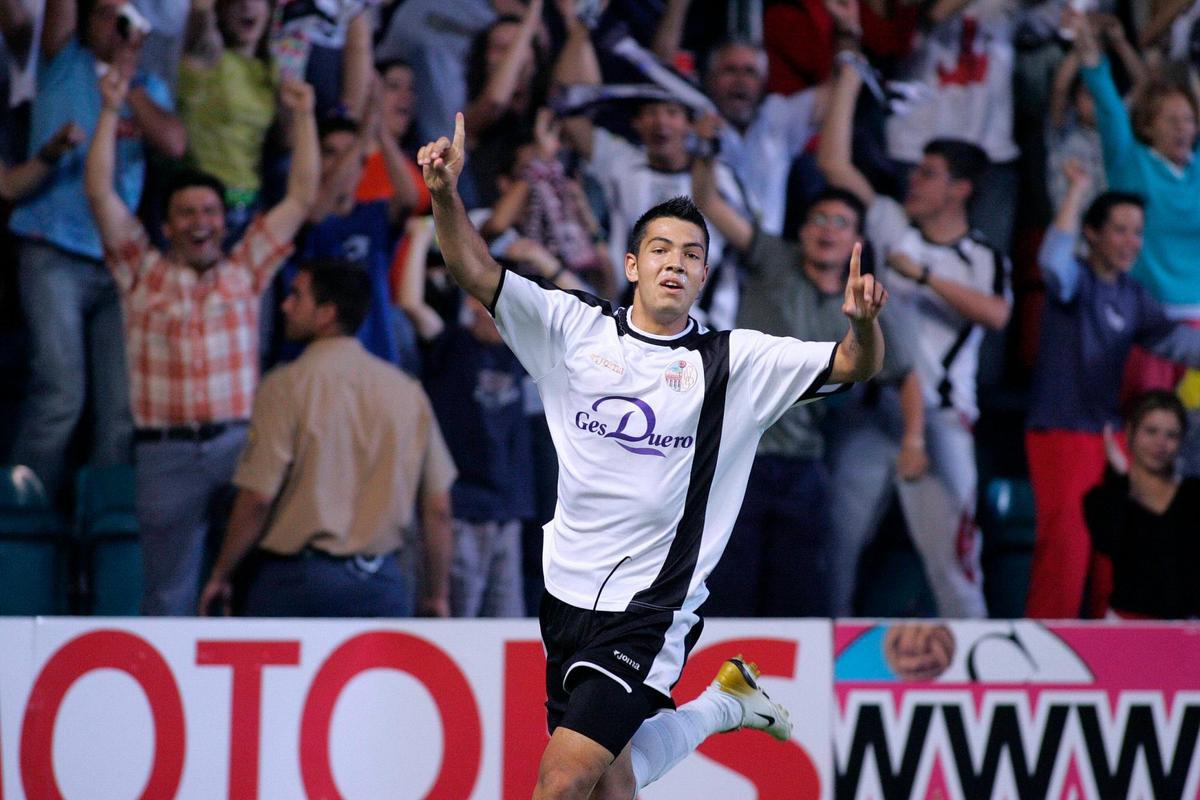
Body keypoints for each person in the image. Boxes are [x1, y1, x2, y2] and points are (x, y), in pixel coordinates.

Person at [418, 113, 887, 799]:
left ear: (703, 274)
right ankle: (726, 705)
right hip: (565, 593)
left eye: (692, 253)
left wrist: (865, 325)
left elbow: (853, 364)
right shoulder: (570, 328)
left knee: (561, 780)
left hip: (653, 606)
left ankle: (722, 704)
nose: (676, 262)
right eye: (661, 249)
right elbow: (474, 269)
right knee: (612, 784)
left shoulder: (737, 362)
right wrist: (443, 196)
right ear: (632, 264)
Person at [85, 73, 319, 615]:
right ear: (167, 225)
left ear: (224, 221)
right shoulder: (139, 274)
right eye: (188, 213)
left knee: (245, 589)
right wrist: (108, 110)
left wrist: (303, 115)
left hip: (239, 448)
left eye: (210, 212)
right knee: (166, 596)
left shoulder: (244, 271)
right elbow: (99, 193)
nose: (202, 223)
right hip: (163, 453)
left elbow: (302, 197)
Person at [691, 130, 923, 617]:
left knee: (794, 597)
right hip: (740, 456)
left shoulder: (863, 302)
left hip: (806, 464)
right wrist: (706, 152)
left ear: (856, 241)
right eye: (818, 218)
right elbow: (708, 201)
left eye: (841, 222)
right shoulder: (773, 258)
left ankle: (785, 691)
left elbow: (903, 375)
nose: (826, 229)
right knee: (729, 592)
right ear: (803, 229)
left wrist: (914, 441)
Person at [818, 51, 1011, 619]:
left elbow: (997, 315)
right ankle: (822, 686)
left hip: (944, 421)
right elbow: (834, 165)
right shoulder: (891, 224)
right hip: (875, 415)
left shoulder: (981, 257)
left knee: (954, 564)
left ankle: (976, 691)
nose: (913, 181)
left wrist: (921, 276)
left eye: (928, 174)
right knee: (834, 555)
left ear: (960, 189)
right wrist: (851, 73)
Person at [198, 259, 456, 617]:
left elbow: (257, 497)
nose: (285, 305)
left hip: (295, 587)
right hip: (382, 586)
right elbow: (438, 508)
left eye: (296, 296)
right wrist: (436, 595)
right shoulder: (408, 392)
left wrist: (220, 573)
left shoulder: (285, 385)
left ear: (326, 314)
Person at [8, 0, 185, 503]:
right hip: (52, 247)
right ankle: (23, 517)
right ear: (88, 23)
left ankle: (104, 524)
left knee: (122, 407)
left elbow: (173, 144)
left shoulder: (147, 89)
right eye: (106, 14)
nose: (116, 25)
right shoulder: (62, 60)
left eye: (126, 18)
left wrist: (126, 79)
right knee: (60, 393)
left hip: (116, 260)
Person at [1024, 161, 1200, 618]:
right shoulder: (1075, 280)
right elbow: (1051, 264)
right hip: (1061, 433)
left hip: (1108, 438)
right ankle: (1046, 655)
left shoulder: (1133, 295)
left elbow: (1181, 344)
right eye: (1119, 230)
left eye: (1137, 232)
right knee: (1068, 550)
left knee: (1119, 554)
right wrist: (1076, 191)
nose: (1131, 243)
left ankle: (1121, 655)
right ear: (1092, 235)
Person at [1071, 12, 1200, 475]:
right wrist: (1091, 54)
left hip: (1199, 330)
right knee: (1141, 438)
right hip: (1150, 328)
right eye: (1171, 121)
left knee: (1190, 444)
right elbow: (1107, 106)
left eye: (1188, 120)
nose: (1183, 129)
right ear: (1148, 128)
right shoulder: (1132, 164)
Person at [400, 217, 532, 617]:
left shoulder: (524, 352)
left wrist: (539, 256)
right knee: (457, 622)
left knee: (504, 628)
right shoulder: (453, 344)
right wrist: (420, 236)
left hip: (508, 512)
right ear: (474, 302)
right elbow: (409, 303)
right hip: (459, 513)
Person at [1084, 391, 1200, 619]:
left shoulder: (1194, 495)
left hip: (1187, 632)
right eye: (1151, 431)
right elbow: (1107, 540)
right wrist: (1118, 478)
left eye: (1171, 435)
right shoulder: (1105, 497)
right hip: (1125, 628)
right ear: (1129, 432)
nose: (1161, 443)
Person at [178, 0, 278, 241]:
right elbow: (200, 20)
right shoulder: (209, 53)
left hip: (250, 204)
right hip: (201, 205)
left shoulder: (270, 68)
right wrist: (202, 10)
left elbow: (287, 139)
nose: (247, 6)